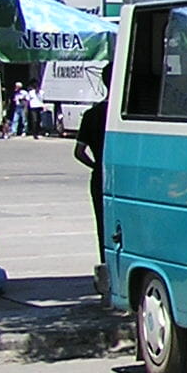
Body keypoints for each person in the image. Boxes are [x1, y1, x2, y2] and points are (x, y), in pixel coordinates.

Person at [74, 98, 108, 262]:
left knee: (102, 225)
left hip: (100, 176)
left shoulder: (91, 114)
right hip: (125, 176)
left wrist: (95, 166)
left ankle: (105, 265)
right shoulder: (129, 113)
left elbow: (79, 152)